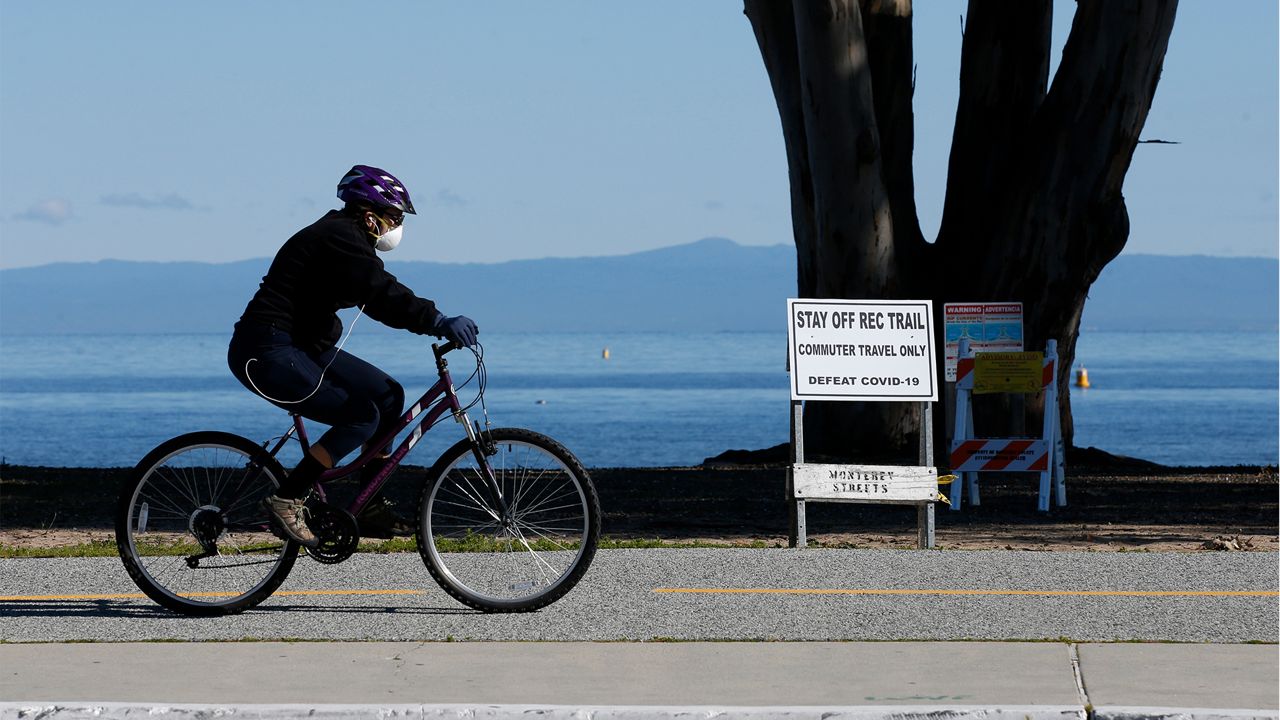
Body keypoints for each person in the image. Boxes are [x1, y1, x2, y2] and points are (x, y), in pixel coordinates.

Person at [227, 165, 478, 547]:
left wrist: (434, 320)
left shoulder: (347, 238)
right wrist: (438, 319)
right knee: (361, 416)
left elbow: (376, 293)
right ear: (368, 215)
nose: (398, 227)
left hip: (302, 345)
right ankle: (288, 497)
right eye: (395, 217)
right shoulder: (340, 237)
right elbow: (381, 293)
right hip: (266, 351)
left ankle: (369, 505)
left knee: (388, 396)